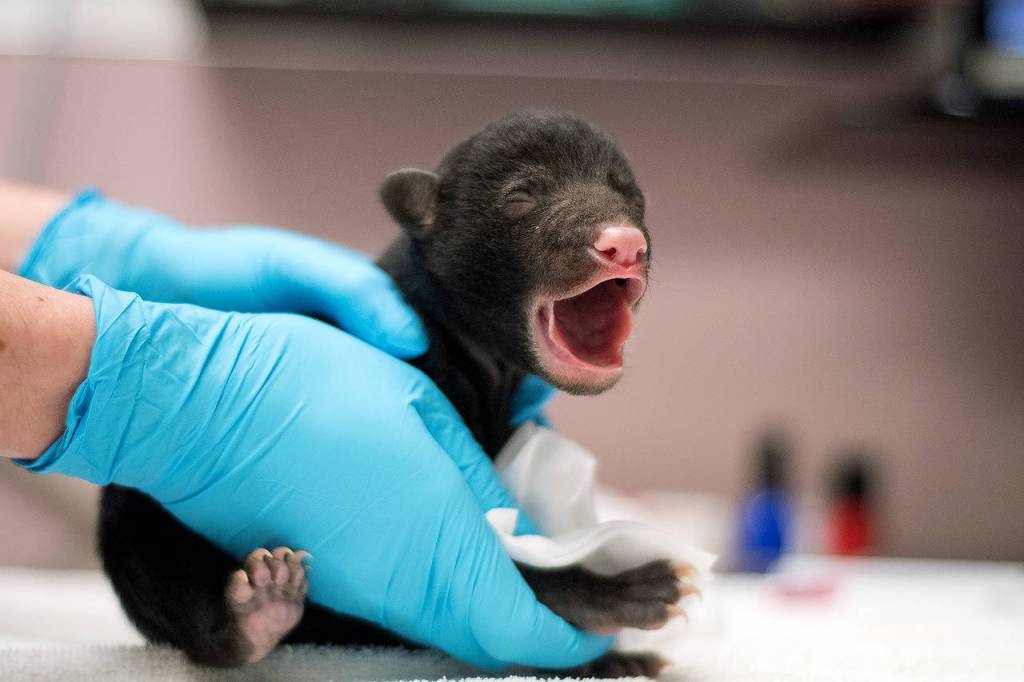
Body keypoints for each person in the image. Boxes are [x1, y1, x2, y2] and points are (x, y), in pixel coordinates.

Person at [0, 180, 611, 669]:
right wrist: (140, 382)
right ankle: (227, 628)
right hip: (198, 552)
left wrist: (78, 243)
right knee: (138, 520)